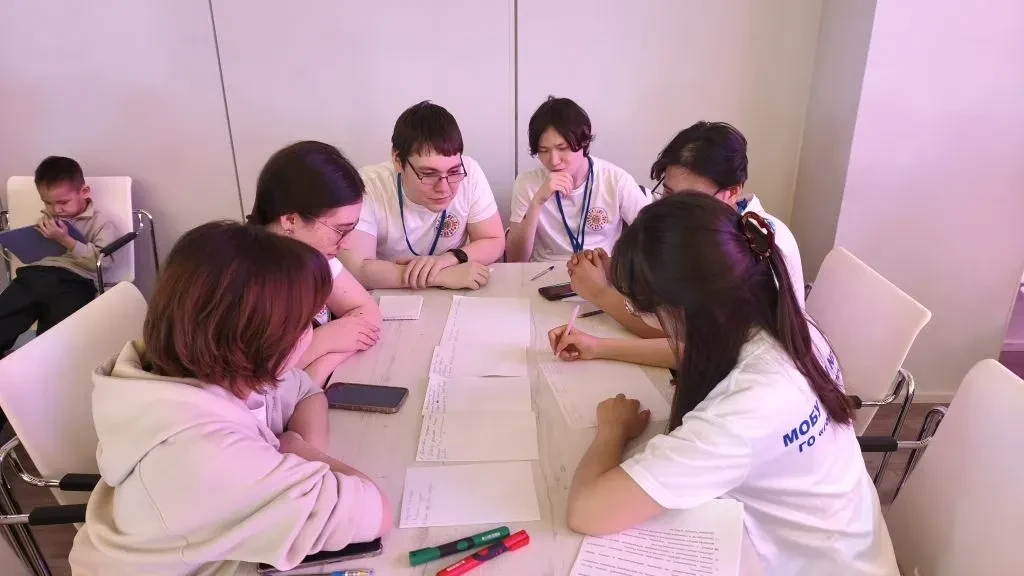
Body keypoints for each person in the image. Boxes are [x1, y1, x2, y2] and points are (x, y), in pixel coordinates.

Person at [559, 193, 898, 575]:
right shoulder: (786, 325)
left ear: (687, 311)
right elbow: (695, 352)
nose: (646, 318)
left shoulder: (744, 411)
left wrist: (611, 431)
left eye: (646, 310)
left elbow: (587, 511)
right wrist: (601, 346)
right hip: (850, 546)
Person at [70, 221, 391, 575]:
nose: (310, 333)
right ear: (262, 341)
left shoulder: (206, 365)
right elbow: (375, 513)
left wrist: (299, 456)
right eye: (305, 324)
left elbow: (305, 390)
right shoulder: (206, 457)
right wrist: (297, 454)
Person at [558, 121, 805, 368]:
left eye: (689, 199)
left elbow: (694, 345)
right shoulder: (704, 231)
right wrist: (620, 275)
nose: (672, 211)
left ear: (732, 192)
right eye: (667, 194)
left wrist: (601, 296)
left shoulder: (751, 245)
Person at [247, 141, 382, 385]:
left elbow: (367, 313)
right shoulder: (242, 279)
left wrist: (319, 367)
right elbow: (256, 381)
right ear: (290, 220)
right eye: (340, 230)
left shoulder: (311, 253)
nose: (346, 244)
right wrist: (325, 340)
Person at [339, 101, 504, 290]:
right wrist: (439, 276)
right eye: (429, 174)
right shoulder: (368, 185)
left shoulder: (470, 171)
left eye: (453, 171)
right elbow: (357, 268)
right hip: (392, 292)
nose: (444, 188)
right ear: (398, 161)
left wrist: (449, 259)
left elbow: (494, 241)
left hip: (452, 289)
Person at [0, 156, 119, 356]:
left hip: (74, 281)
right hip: (34, 275)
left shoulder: (101, 223)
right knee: (6, 315)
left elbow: (103, 262)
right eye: (48, 203)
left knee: (57, 341)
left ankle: (48, 363)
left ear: (84, 192)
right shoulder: (49, 218)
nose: (56, 209)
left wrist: (66, 240)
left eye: (63, 202)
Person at [506, 97, 648, 262]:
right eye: (543, 151)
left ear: (584, 141)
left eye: (562, 148)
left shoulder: (615, 180)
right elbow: (516, 259)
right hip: (544, 271)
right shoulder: (527, 183)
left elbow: (653, 235)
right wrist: (537, 202)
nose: (554, 161)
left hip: (599, 269)